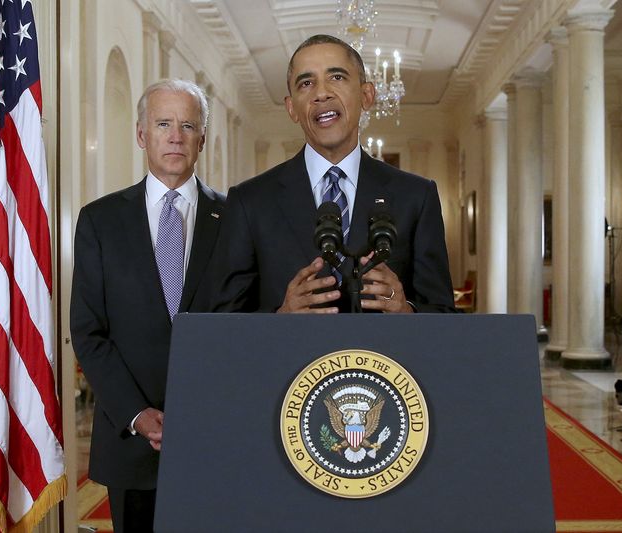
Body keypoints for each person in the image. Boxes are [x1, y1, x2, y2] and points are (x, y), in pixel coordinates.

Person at [70, 79, 225, 532]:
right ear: (142, 134)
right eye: (162, 124)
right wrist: (138, 415)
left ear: (202, 138)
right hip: (130, 442)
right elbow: (88, 331)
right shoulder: (100, 220)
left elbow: (246, 324)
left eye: (187, 125)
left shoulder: (235, 218)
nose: (175, 135)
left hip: (215, 437)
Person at [210, 34, 456, 313]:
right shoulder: (248, 202)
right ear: (292, 108)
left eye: (337, 77)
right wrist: (279, 321)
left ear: (366, 95)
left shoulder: (417, 196)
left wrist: (407, 312)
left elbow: (443, 313)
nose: (321, 93)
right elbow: (222, 323)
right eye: (306, 83)